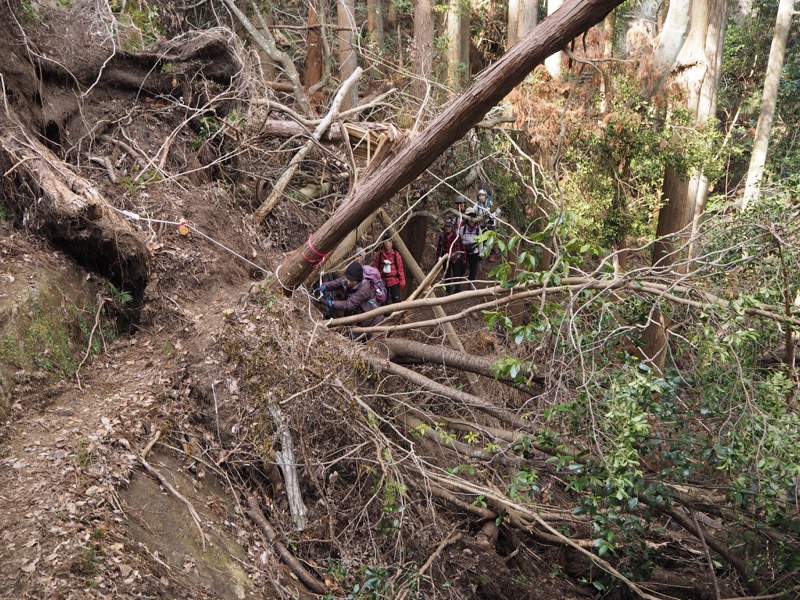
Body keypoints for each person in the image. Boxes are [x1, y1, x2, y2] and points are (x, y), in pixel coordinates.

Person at [315, 262, 384, 326]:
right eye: (347, 278)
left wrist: (330, 303)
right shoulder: (349, 278)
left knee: (358, 336)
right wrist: (325, 286)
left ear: (357, 280)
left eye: (351, 280)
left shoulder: (365, 288)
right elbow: (337, 282)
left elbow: (349, 304)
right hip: (357, 314)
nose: (347, 282)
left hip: (370, 320)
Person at [436, 218, 466, 295]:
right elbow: (439, 247)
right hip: (445, 257)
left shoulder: (457, 236)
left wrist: (463, 259)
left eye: (449, 226)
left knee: (457, 273)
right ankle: (448, 289)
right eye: (446, 226)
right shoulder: (442, 236)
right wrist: (438, 258)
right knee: (447, 274)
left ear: (453, 227)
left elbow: (462, 247)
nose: (447, 228)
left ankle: (457, 289)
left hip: (455, 257)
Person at [373, 237, 405, 304]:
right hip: (383, 281)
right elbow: (375, 267)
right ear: (383, 243)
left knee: (396, 300)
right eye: (385, 241)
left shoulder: (396, 255)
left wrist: (402, 280)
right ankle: (385, 314)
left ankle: (395, 314)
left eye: (389, 241)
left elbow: (400, 268)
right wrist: (375, 280)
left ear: (392, 243)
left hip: (394, 280)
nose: (387, 243)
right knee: (383, 301)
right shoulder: (380, 255)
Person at [459, 208, 482, 284]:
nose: (471, 221)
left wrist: (480, 254)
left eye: (473, 218)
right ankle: (457, 284)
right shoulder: (463, 229)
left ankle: (471, 283)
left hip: (474, 252)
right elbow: (459, 240)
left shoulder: (478, 230)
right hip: (464, 251)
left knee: (473, 269)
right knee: (462, 267)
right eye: (469, 218)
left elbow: (480, 242)